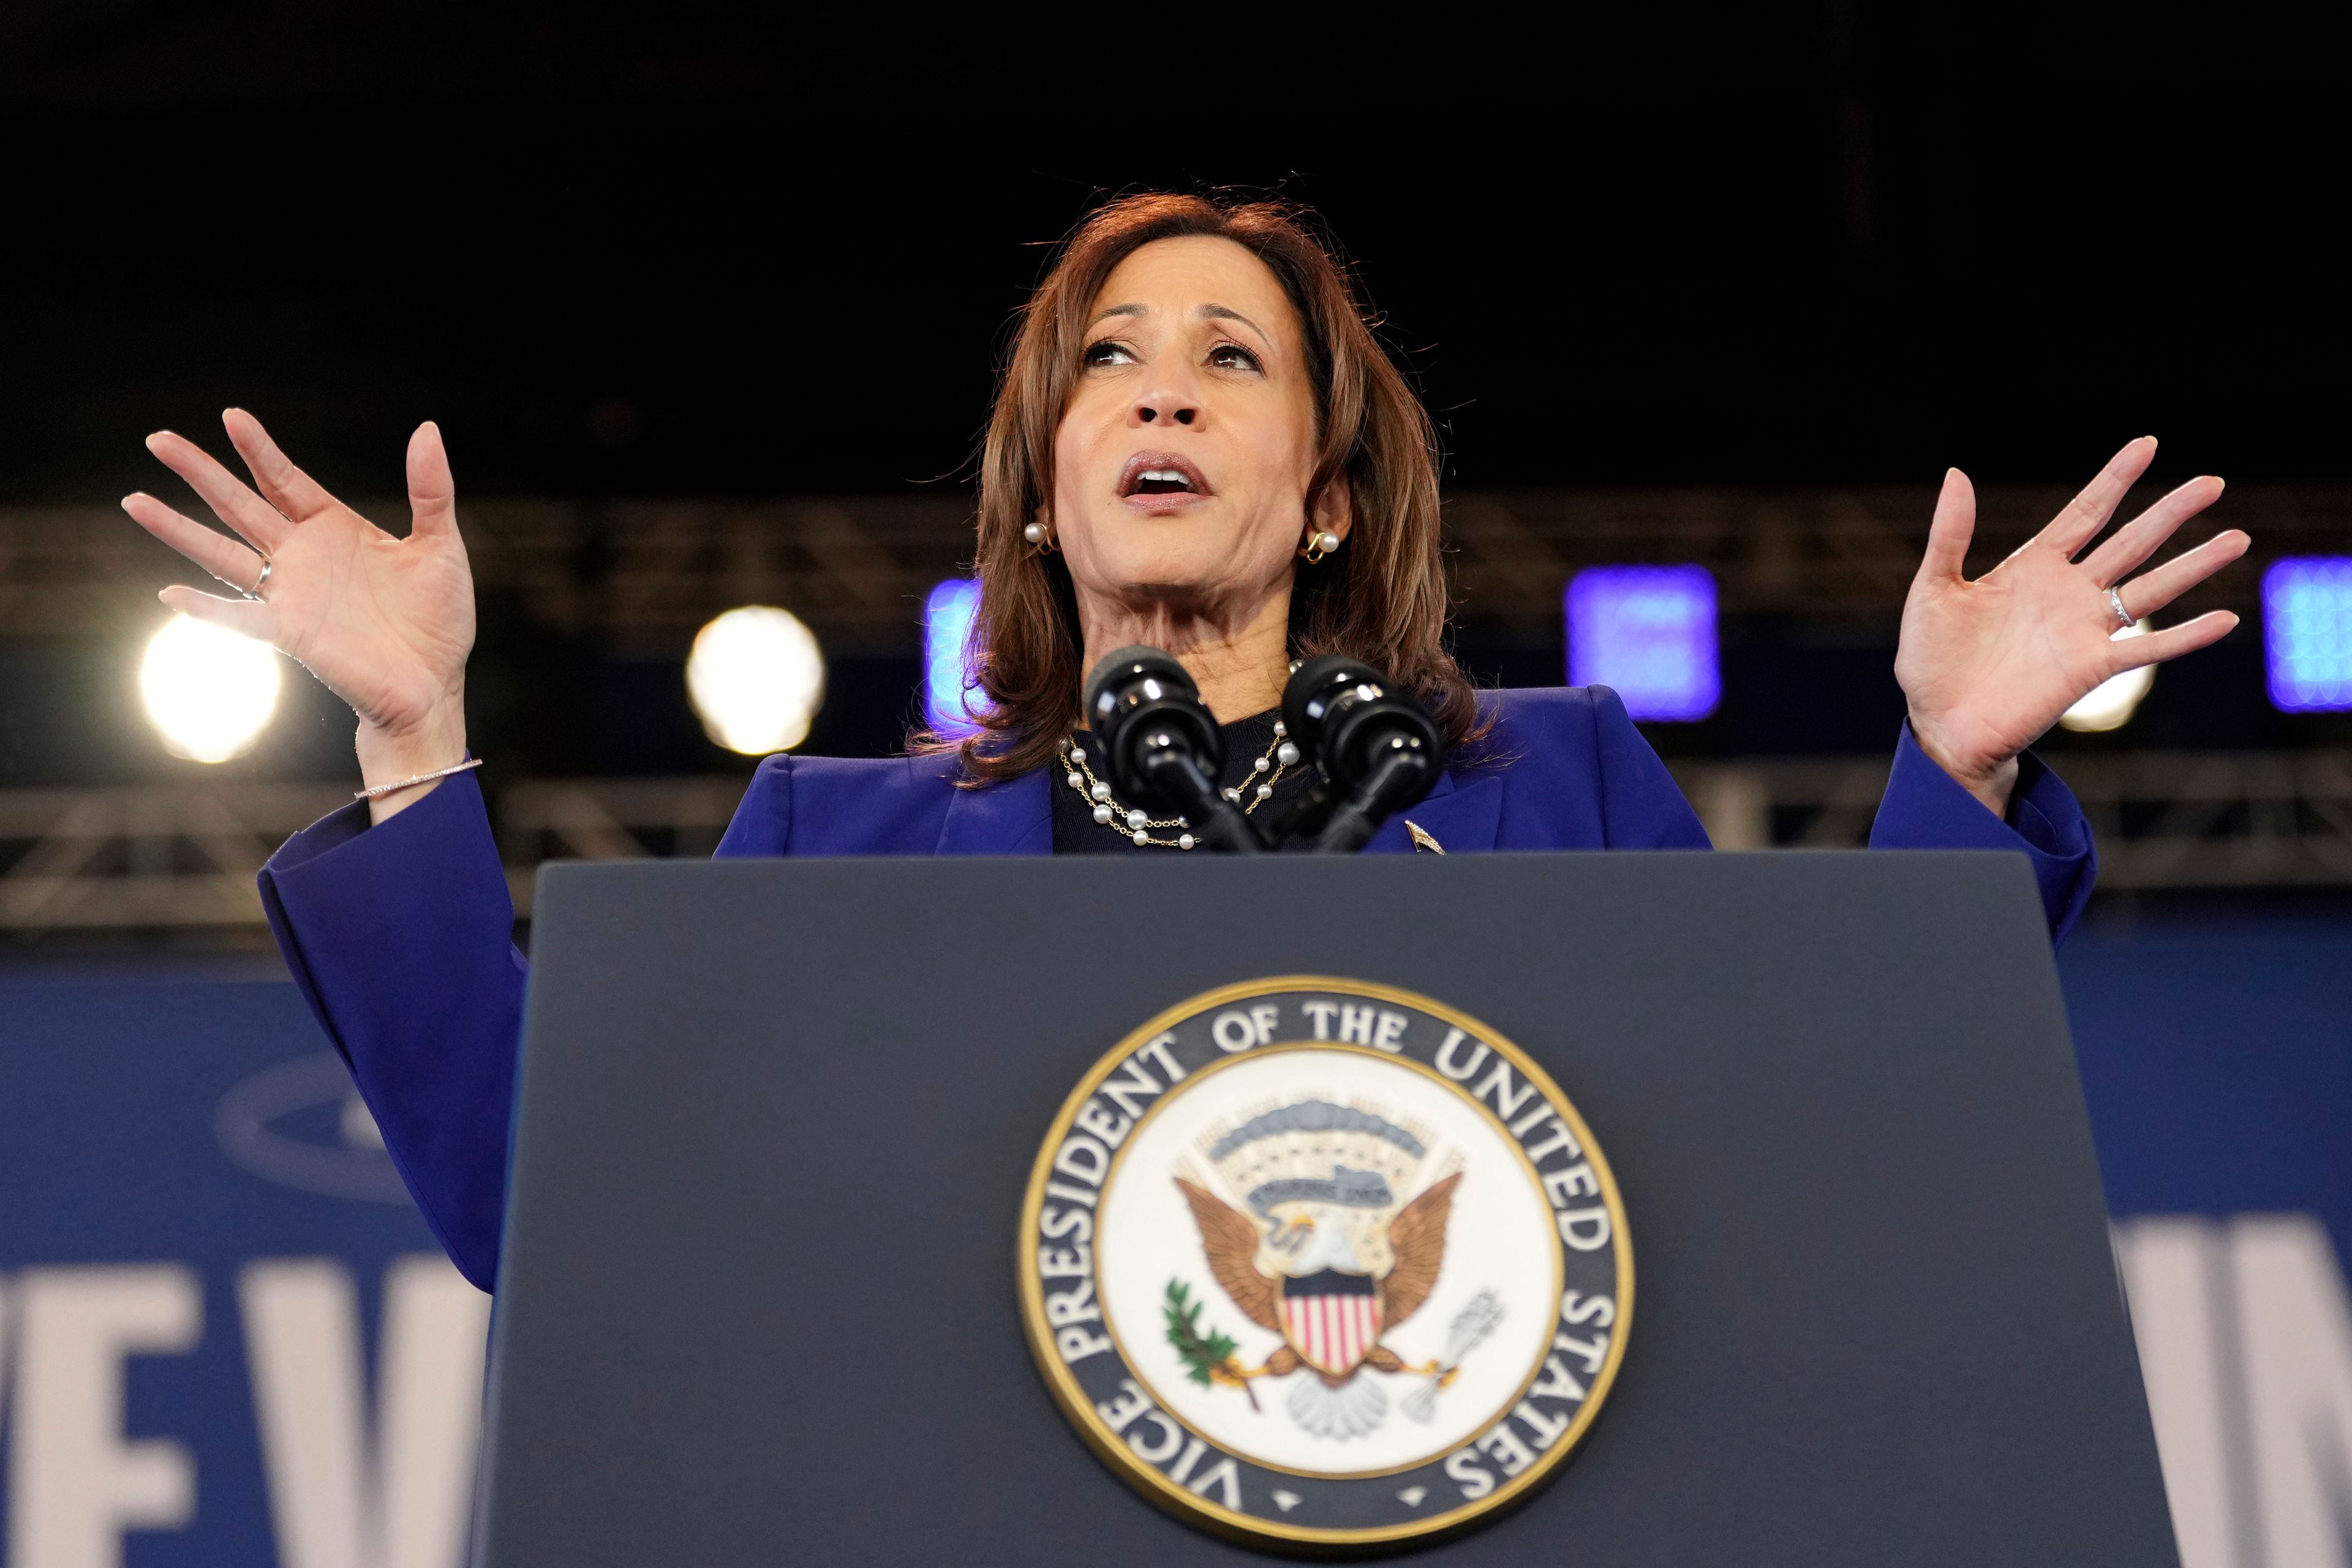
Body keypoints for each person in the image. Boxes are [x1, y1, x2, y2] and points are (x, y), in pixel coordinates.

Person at [123, 194, 2247, 1292]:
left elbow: (1807, 1151)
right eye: (1109, 364)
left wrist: (1949, 781)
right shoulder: (828, 843)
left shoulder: (1555, 781)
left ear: (1325, 489)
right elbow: (544, 1205)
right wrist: (414, 736)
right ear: (1041, 487)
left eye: (1231, 359)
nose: (1160, 392)